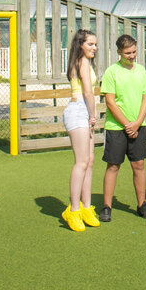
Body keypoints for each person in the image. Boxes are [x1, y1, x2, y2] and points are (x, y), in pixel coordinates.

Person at [98, 34, 146, 221]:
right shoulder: (111, 72)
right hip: (115, 128)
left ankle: (141, 204)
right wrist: (127, 124)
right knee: (113, 166)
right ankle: (106, 206)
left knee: (139, 165)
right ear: (119, 52)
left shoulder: (141, 71)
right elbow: (110, 102)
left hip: (139, 126)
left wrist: (137, 122)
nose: (131, 55)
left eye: (134, 52)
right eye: (127, 52)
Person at [61, 29, 101, 232]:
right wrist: (93, 115)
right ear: (81, 45)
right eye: (90, 44)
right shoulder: (83, 62)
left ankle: (86, 207)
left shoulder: (85, 61)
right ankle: (73, 210)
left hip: (83, 111)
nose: (94, 48)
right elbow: (88, 91)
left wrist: (91, 115)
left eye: (95, 44)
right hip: (79, 111)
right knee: (82, 161)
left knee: (90, 161)